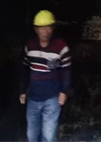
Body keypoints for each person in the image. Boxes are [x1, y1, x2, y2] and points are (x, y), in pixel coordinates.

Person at [20, 10, 71, 142]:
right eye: (41, 28)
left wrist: (64, 91)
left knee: (48, 136)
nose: (45, 31)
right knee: (32, 134)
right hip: (33, 98)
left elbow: (66, 71)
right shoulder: (30, 46)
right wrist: (23, 91)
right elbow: (25, 69)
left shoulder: (61, 47)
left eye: (48, 27)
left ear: (53, 28)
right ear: (36, 29)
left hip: (52, 99)